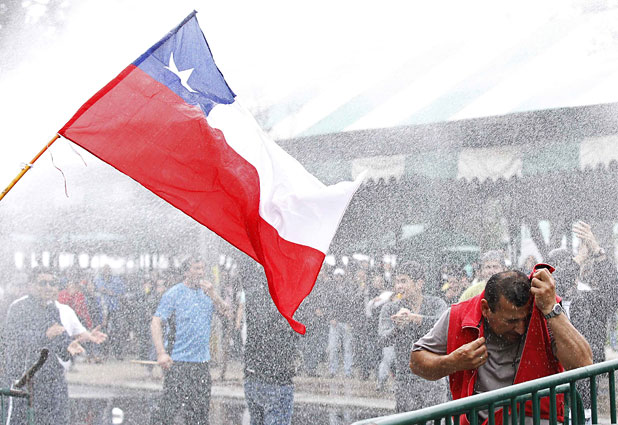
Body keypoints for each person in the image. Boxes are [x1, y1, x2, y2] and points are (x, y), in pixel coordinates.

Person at [410, 267, 593, 425]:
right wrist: (452, 362)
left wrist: (552, 309)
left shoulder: (544, 311)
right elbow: (416, 361)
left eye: (525, 318)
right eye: (511, 321)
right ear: (486, 309)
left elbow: (583, 365)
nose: (521, 329)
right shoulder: (460, 315)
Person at [548, 221, 618, 422]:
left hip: (585, 403)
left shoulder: (589, 301)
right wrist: (579, 258)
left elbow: (613, 291)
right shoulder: (544, 304)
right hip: (552, 404)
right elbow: (557, 283)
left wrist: (597, 251)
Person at [149, 257, 231, 425]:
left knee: (199, 415)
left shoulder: (208, 293)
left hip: (201, 364)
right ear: (186, 272)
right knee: (167, 414)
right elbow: (155, 322)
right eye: (196, 268)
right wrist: (161, 353)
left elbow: (227, 313)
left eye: (202, 268)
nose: (200, 272)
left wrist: (214, 295)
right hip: (178, 362)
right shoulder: (174, 294)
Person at [3, 268, 86, 425]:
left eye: (52, 283)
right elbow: (13, 338)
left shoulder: (52, 308)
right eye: (43, 283)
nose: (48, 287)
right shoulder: (18, 307)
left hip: (51, 380)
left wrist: (68, 347)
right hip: (24, 378)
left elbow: (59, 337)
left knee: (56, 420)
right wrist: (44, 336)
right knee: (21, 420)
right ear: (31, 285)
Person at [378, 261, 448, 412]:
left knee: (435, 419)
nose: (399, 286)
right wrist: (397, 328)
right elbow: (382, 339)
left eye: (404, 281)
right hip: (405, 380)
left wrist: (416, 319)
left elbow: (444, 327)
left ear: (419, 284)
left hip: (434, 378)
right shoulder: (390, 308)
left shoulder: (436, 304)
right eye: (397, 281)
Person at [242, 259, 299, 425]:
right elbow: (298, 330)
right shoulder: (284, 299)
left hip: (253, 375)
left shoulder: (253, 296)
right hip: (276, 378)